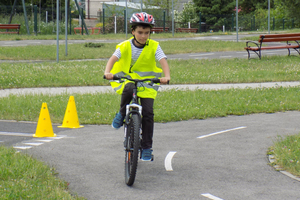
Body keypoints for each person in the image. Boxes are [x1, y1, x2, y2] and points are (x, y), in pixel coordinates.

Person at [104, 12, 171, 161]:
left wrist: (166, 76)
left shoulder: (154, 46)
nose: (143, 36)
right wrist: (107, 72)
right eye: (140, 32)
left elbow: (163, 61)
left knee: (148, 113)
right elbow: (113, 59)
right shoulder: (125, 45)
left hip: (147, 83)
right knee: (128, 89)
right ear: (133, 31)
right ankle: (121, 114)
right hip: (128, 79)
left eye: (147, 33)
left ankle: (147, 147)